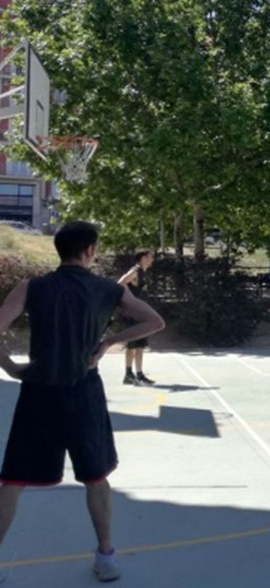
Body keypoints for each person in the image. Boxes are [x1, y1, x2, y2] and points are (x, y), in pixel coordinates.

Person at [0, 221, 165, 582]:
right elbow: (155, 321)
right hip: (83, 393)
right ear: (90, 250)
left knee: (12, 483)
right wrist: (109, 342)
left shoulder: (31, 287)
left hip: (38, 392)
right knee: (96, 479)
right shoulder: (109, 289)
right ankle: (106, 558)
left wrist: (10, 366)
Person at [118, 250, 156, 386]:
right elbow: (120, 283)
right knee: (132, 345)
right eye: (150, 257)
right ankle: (128, 374)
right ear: (143, 258)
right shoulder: (135, 270)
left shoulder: (143, 272)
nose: (152, 259)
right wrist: (130, 300)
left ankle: (139, 374)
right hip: (133, 314)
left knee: (140, 345)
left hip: (141, 314)